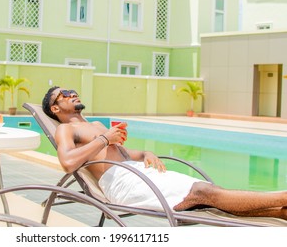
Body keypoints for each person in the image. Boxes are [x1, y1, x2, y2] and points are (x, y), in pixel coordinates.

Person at [42, 86, 287, 220]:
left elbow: (121, 153)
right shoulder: (66, 129)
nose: (71, 93)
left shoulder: (94, 126)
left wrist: (145, 152)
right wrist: (106, 138)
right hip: (122, 183)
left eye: (72, 90)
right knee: (203, 193)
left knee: (208, 195)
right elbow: (67, 162)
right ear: (55, 107)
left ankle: (281, 212)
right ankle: (282, 197)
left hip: (138, 172)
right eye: (63, 94)